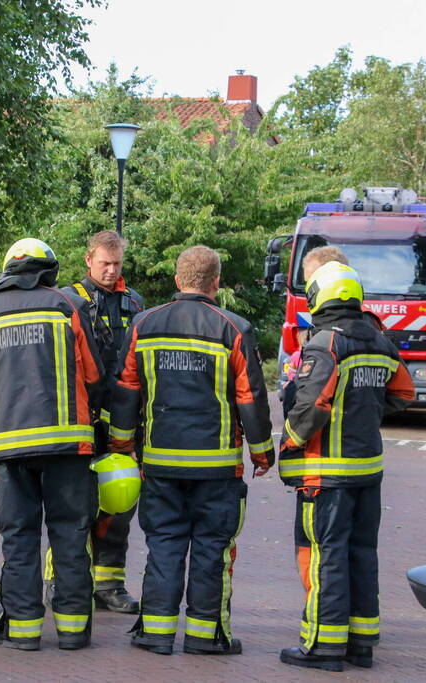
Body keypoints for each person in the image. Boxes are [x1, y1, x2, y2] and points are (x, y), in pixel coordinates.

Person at [108, 245, 275, 656]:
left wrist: (121, 446)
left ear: (178, 280)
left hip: (160, 463)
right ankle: (205, 636)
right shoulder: (233, 328)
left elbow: (126, 392)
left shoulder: (144, 325)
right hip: (217, 469)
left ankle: (156, 633)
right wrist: (262, 453)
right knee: (211, 550)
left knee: (163, 544)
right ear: (216, 283)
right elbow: (250, 397)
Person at [0, 238, 104, 651]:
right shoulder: (67, 306)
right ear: (49, 270)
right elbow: (94, 374)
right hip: (68, 447)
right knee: (70, 537)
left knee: (20, 537)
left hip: (9, 448)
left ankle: (22, 633)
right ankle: (74, 632)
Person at [277, 247, 414, 672]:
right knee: (360, 553)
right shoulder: (380, 341)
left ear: (320, 295)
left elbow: (312, 405)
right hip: (367, 471)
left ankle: (322, 646)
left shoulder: (326, 344)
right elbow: (405, 394)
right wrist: (365, 411)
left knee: (324, 555)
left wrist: (290, 443)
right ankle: (360, 642)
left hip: (326, 475)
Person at [44, 230, 144, 613]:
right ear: (88, 260)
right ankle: (61, 581)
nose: (110, 270)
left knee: (119, 503)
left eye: (117, 264)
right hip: (82, 420)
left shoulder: (133, 302)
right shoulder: (68, 301)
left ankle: (109, 585)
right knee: (74, 506)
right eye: (104, 263)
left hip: (122, 419)